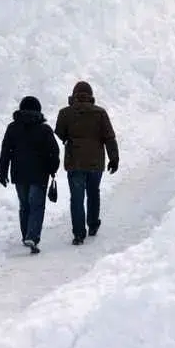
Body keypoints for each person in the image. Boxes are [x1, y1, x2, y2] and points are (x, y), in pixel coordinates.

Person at [54, 81, 119, 245]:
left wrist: (71, 140)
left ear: (74, 95)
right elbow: (109, 137)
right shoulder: (100, 113)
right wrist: (114, 158)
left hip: (75, 162)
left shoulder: (65, 113)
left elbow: (59, 132)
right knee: (93, 192)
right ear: (90, 96)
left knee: (76, 198)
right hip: (95, 162)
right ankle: (93, 224)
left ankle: (78, 234)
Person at [0, 95, 60, 254]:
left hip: (19, 174)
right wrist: (52, 169)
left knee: (24, 206)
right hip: (39, 174)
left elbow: (6, 151)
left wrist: (2, 171)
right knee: (36, 206)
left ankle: (26, 234)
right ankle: (32, 236)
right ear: (38, 110)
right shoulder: (44, 129)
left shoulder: (13, 128)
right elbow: (54, 152)